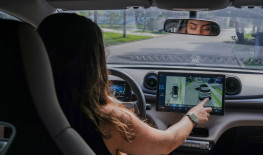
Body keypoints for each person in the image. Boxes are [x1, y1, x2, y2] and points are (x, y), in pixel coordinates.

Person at [37, 13, 212, 155]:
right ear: (94, 60)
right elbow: (166, 143)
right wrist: (193, 116)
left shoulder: (19, 108)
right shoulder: (106, 120)